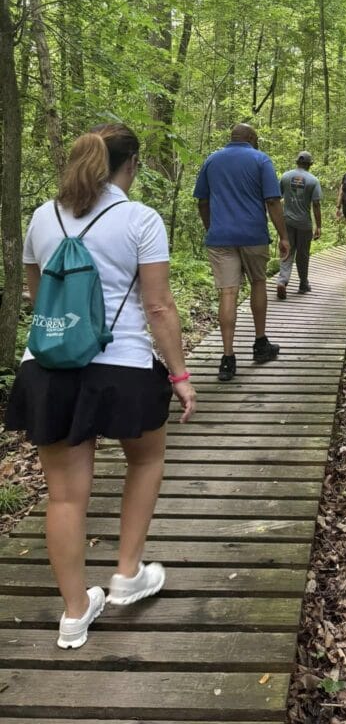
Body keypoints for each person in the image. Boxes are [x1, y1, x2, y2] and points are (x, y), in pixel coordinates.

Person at [4, 123, 196, 651]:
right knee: (147, 458)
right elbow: (158, 306)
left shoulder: (43, 217)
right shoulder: (140, 218)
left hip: (47, 367)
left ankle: (73, 613)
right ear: (129, 165)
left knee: (64, 496)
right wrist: (179, 376)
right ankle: (127, 574)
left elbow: (38, 293)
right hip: (123, 364)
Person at [193, 124, 289, 382]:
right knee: (258, 283)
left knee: (228, 292)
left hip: (220, 237)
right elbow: (272, 201)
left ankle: (227, 359)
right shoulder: (260, 160)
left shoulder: (212, 160)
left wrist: (211, 228)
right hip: (253, 235)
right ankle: (260, 344)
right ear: (251, 138)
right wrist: (283, 235)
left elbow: (202, 200)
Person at [276, 151, 322, 299]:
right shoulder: (313, 180)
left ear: (297, 162)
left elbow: (277, 198)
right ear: (309, 164)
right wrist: (318, 226)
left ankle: (282, 281)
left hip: (287, 222)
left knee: (286, 250)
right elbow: (316, 204)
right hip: (304, 224)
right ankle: (303, 284)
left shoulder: (285, 177)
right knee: (303, 255)